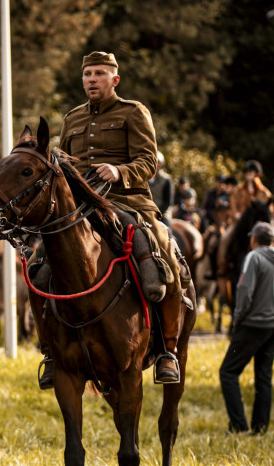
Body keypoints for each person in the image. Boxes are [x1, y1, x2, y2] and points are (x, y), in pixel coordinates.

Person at [36, 50, 189, 389]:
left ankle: (167, 349)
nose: (92, 79)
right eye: (88, 74)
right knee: (39, 261)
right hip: (81, 206)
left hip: (127, 200)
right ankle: (50, 351)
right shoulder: (72, 118)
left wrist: (120, 171)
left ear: (114, 79)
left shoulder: (133, 112)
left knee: (160, 251)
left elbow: (149, 161)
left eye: (100, 73)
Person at [218, 222, 274, 434]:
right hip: (273, 327)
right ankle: (260, 427)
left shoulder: (254, 258)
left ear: (254, 239)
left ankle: (238, 426)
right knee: (264, 377)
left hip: (251, 325)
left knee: (228, 372)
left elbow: (244, 290)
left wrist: (238, 318)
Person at [148, 151, 175, 219]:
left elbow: (167, 202)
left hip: (162, 211)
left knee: (166, 225)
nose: (156, 165)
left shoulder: (166, 179)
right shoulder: (144, 176)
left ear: (161, 164)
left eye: (158, 163)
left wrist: (158, 214)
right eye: (154, 162)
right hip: (146, 209)